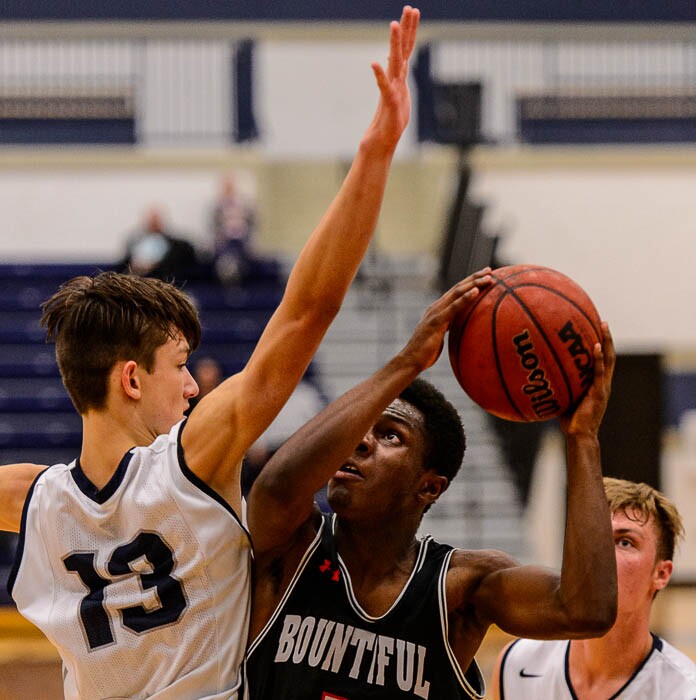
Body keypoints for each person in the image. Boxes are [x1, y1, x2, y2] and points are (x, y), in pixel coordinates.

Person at [0, 7, 421, 699]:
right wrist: (375, 154)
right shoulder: (192, 459)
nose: (194, 387)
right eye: (179, 369)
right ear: (131, 379)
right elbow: (307, 311)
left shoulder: (37, 500)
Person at [244, 268, 618, 699]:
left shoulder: (460, 587)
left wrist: (582, 438)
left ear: (430, 487)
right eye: (362, 428)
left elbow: (586, 611)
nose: (360, 442)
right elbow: (274, 488)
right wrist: (407, 362)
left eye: (390, 436)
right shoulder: (294, 547)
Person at [491, 477, 696, 700]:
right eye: (593, 537)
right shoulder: (516, 664)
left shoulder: (685, 693)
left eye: (625, 542)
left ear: (661, 574)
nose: (601, 553)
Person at [120, 205, 198, 283]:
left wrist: (155, 265)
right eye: (151, 221)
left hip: (161, 281)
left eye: (156, 221)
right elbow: (126, 262)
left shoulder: (176, 245)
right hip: (136, 280)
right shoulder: (136, 242)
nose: (154, 224)